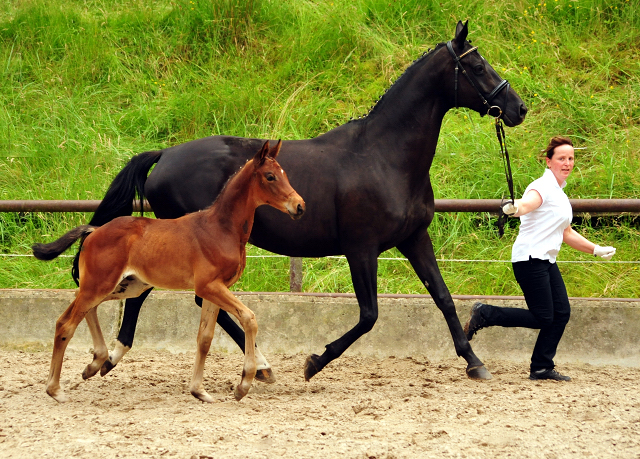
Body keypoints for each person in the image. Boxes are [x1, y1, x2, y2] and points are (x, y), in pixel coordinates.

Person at [463, 135, 616, 381]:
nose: (567, 163)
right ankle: (485, 314)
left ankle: (542, 367)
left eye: (571, 158)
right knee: (543, 316)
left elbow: (565, 232)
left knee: (561, 313)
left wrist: (595, 249)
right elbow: (527, 204)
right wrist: (515, 208)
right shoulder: (542, 187)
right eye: (561, 158)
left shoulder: (560, 193)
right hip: (529, 259)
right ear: (549, 161)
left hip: (546, 261)